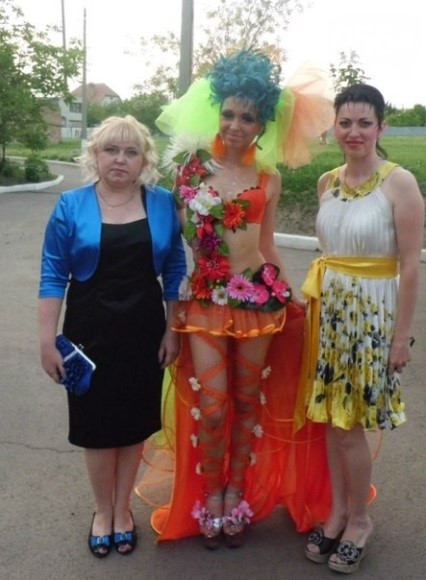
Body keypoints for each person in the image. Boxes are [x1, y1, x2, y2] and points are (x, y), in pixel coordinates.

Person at [135, 49, 335, 549]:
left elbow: (266, 246)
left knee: (248, 404)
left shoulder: (270, 179)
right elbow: (172, 244)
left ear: (262, 122)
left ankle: (235, 497)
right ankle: (206, 496)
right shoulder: (187, 171)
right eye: (229, 113)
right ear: (216, 113)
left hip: (257, 300)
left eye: (248, 116)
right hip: (203, 300)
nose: (237, 124)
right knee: (215, 406)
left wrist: (288, 294)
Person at [38, 115, 187, 558]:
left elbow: (175, 270)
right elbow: (52, 275)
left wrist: (172, 329)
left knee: (133, 425)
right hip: (89, 334)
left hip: (143, 331)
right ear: (95, 156)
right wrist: (47, 340)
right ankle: (103, 511)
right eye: (111, 150)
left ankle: (124, 510)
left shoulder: (161, 203)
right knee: (98, 428)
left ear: (144, 160)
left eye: (130, 151)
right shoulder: (70, 205)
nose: (120, 159)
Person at [296, 84, 425, 573]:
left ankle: (360, 520)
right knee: (331, 421)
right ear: (335, 127)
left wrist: (400, 338)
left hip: (372, 319)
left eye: (364, 123)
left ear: (381, 128)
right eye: (345, 123)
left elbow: (411, 267)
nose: (353, 132)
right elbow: (328, 249)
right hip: (329, 316)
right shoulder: (327, 181)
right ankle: (338, 512)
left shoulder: (400, 183)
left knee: (349, 426)